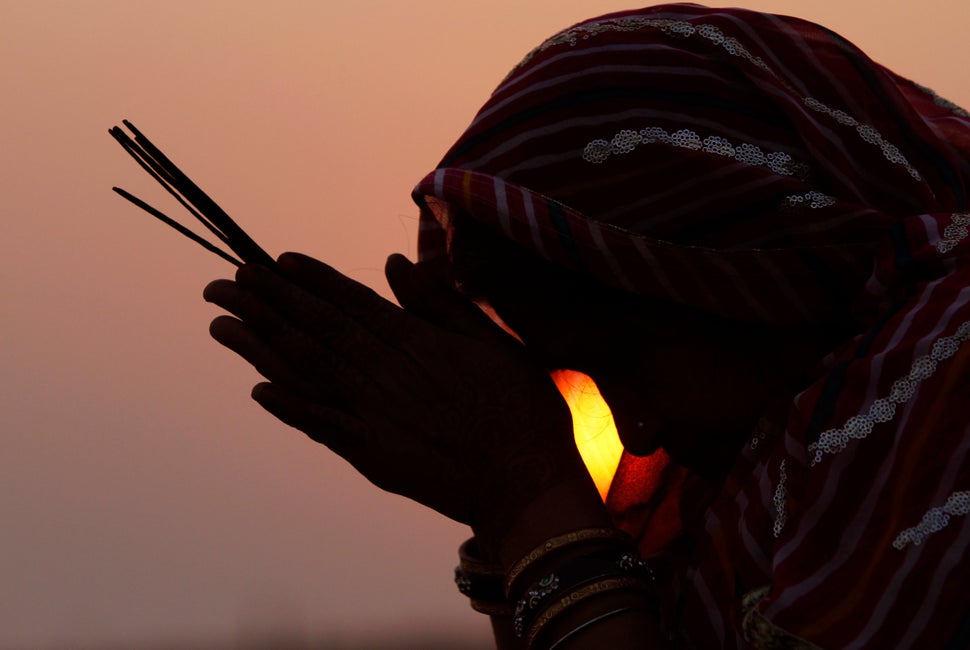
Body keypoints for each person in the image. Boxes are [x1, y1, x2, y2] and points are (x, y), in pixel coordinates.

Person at [202, 4, 970, 648]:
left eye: (630, 357)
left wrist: (527, 495)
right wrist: (501, 510)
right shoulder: (745, 503)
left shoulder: (948, 372)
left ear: (752, 271)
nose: (634, 434)